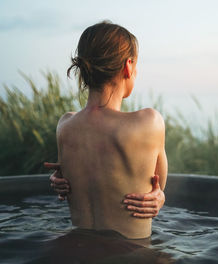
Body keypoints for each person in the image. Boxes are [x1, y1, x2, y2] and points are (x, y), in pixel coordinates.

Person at [46, 21, 167, 239]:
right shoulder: (149, 122)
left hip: (77, 253)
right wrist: (161, 197)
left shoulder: (65, 126)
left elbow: (63, 181)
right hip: (133, 257)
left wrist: (57, 179)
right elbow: (159, 187)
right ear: (128, 66)